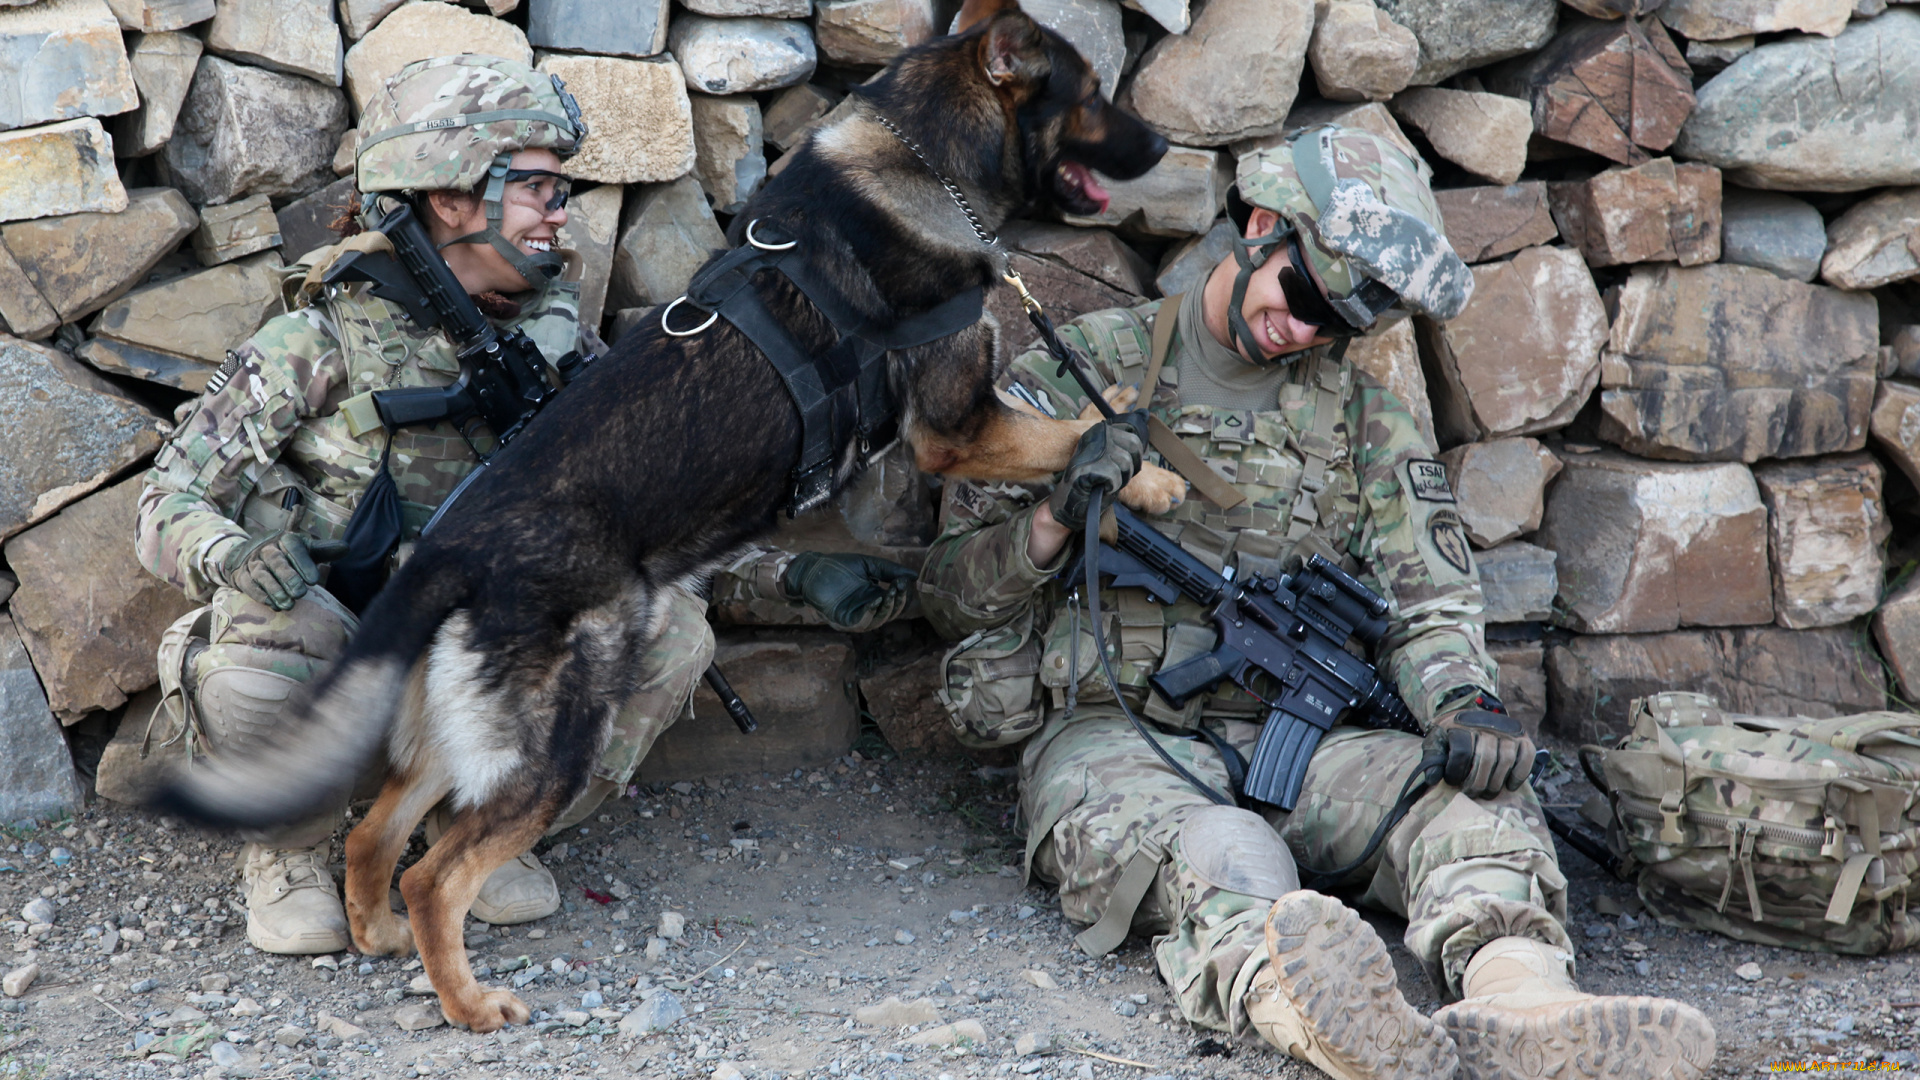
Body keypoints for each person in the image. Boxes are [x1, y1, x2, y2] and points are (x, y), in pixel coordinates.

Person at [919, 125, 1715, 1080]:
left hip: (1310, 744)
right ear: (1260, 227)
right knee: (1222, 851)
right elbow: (948, 596)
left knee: (1477, 803)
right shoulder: (1077, 372)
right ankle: (1317, 1018)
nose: (1304, 331)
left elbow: (1430, 601)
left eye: (1335, 324)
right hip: (1117, 740)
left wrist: (1464, 702)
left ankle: (1526, 1001)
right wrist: (1053, 517)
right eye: (1300, 297)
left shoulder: (1364, 418)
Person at [135, 55, 914, 957]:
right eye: (537, 186)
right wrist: (231, 555)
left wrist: (789, 571)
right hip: (348, 647)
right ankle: (290, 853)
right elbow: (168, 499)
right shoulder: (317, 339)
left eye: (564, 188)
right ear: (451, 198)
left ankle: (476, 833)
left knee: (666, 634)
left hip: (481, 665)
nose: (561, 210)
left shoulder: (560, 349)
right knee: (263, 630)